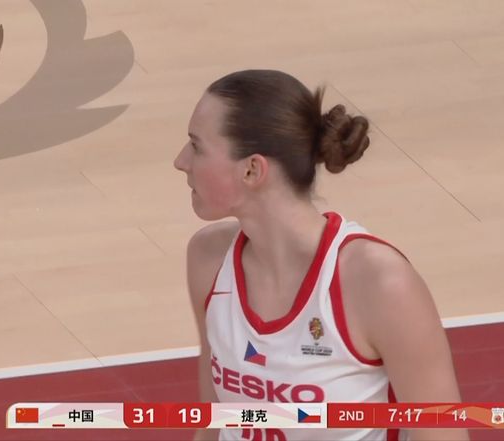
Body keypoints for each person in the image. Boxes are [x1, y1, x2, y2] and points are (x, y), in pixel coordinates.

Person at [173, 70, 467, 441]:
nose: (181, 161)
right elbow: (214, 421)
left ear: (252, 169)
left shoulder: (379, 283)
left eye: (197, 146)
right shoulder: (208, 259)